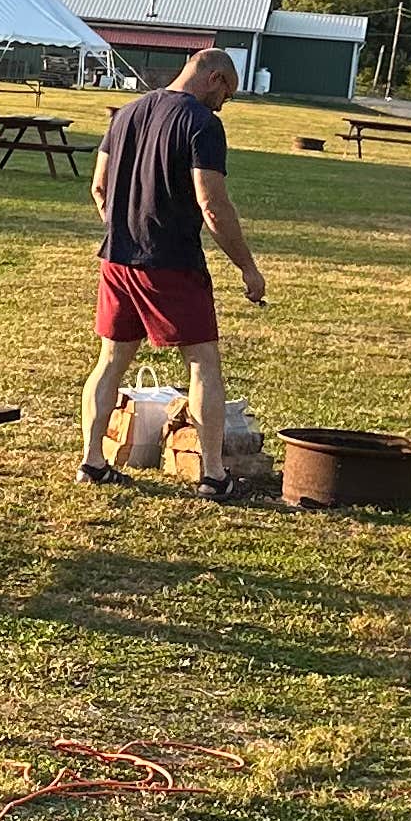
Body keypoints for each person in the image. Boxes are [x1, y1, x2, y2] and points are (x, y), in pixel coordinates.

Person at [79, 46, 268, 491]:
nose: (224, 105)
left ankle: (92, 461)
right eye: (227, 94)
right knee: (203, 363)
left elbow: (99, 186)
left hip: (117, 259)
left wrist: (123, 228)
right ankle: (214, 474)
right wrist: (248, 267)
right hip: (172, 263)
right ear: (215, 78)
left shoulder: (126, 113)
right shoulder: (202, 123)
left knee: (110, 361)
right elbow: (212, 204)